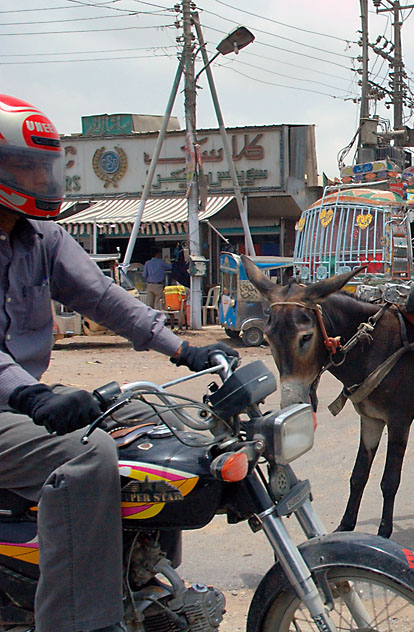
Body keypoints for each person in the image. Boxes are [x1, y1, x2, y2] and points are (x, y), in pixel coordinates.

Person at [0, 94, 238, 632]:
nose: (39, 178)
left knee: (149, 430)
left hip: (18, 399)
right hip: (8, 401)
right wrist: (33, 395)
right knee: (85, 456)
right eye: (22, 166)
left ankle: (140, 580)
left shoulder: (44, 237)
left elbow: (105, 298)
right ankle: (80, 619)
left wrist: (182, 348)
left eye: (44, 167)